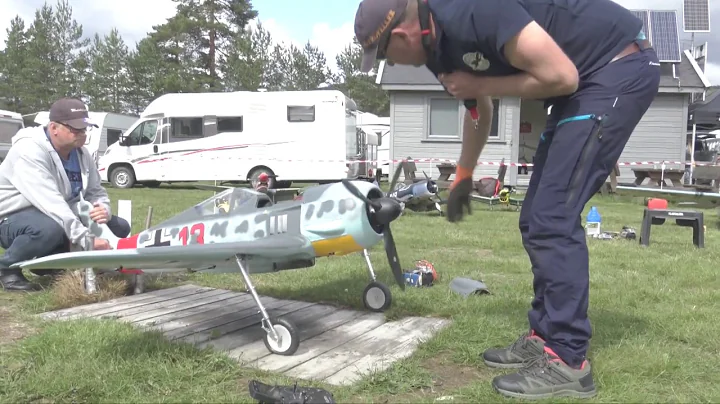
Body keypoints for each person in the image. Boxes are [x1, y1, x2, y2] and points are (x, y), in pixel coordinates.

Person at [354, 0, 660, 399]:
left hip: (616, 67)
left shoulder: (470, 9)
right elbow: (478, 108)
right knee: (534, 218)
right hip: (583, 81)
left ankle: (569, 362)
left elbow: (560, 76)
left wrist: (481, 85)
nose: (389, 62)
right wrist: (463, 174)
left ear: (401, 35)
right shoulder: (437, 50)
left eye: (383, 54)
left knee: (553, 215)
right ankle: (545, 337)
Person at [0, 97, 131, 292]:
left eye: (85, 129)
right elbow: (52, 203)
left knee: (119, 226)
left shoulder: (82, 153)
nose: (83, 134)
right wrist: (87, 239)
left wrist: (104, 208)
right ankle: (6, 269)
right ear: (54, 128)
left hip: (55, 215)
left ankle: (49, 265)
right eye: (76, 129)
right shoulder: (29, 151)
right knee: (50, 228)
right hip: (11, 219)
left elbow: (96, 190)